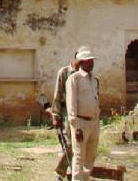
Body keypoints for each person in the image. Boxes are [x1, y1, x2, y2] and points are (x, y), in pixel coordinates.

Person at [52, 46, 87, 178]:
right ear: (76, 59)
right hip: (67, 113)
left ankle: (74, 174)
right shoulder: (64, 72)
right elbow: (57, 95)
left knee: (79, 145)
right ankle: (60, 172)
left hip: (82, 114)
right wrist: (56, 115)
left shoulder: (85, 74)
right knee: (69, 144)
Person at [66, 48, 99, 181]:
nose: (91, 63)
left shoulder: (94, 80)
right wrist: (76, 126)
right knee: (79, 156)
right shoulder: (74, 79)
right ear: (81, 63)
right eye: (88, 61)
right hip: (80, 122)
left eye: (92, 61)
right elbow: (71, 103)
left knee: (91, 156)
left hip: (94, 122)